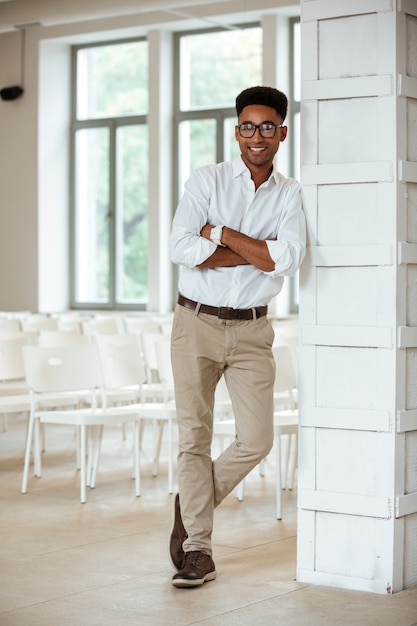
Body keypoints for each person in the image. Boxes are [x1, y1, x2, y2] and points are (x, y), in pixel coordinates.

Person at [168, 85, 306, 588]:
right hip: (195, 322)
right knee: (194, 437)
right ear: (237, 130)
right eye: (248, 126)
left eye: (267, 126)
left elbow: (286, 259)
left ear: (282, 133)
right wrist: (257, 249)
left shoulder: (290, 193)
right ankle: (197, 550)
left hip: (253, 328)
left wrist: (221, 234)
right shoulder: (206, 180)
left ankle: (190, 509)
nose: (256, 135)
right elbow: (180, 248)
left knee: (256, 439)